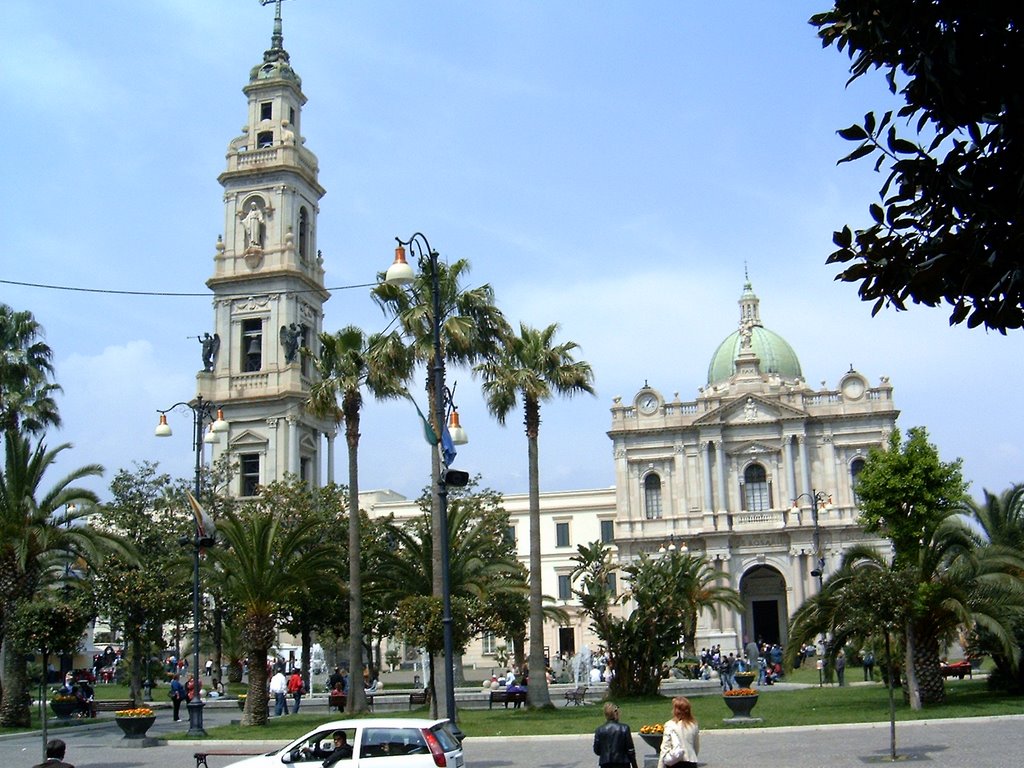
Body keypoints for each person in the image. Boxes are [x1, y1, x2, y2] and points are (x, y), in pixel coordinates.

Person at [657, 696, 699, 768]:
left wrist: (660, 766)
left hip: (675, 762)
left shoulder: (670, 725)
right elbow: (696, 746)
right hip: (691, 761)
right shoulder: (694, 725)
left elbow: (665, 748)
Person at [593, 702, 639, 768]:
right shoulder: (624, 728)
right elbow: (630, 750)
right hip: (622, 763)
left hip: (606, 764)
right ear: (616, 714)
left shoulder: (599, 730)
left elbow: (597, 751)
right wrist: (635, 766)